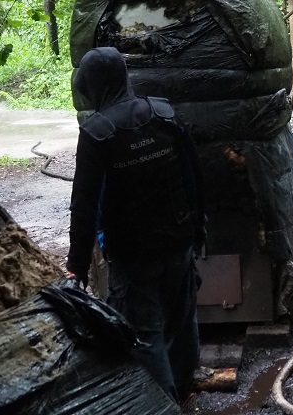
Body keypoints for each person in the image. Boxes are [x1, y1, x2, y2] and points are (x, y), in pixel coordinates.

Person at [66, 46, 206, 401]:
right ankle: (184, 391)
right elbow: (194, 176)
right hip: (179, 241)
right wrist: (198, 229)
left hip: (133, 255)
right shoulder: (163, 114)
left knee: (145, 336)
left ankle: (163, 404)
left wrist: (76, 266)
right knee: (181, 323)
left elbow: (84, 205)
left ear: (91, 86)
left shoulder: (96, 133)